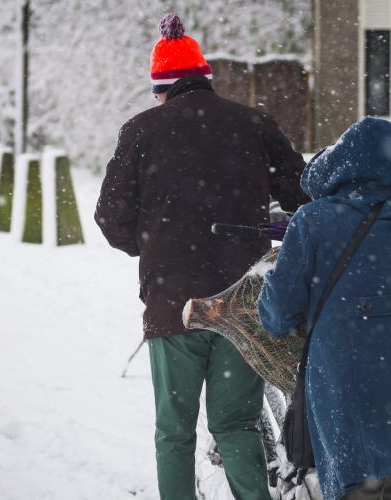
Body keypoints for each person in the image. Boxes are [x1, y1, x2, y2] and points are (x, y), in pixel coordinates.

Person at [95, 14, 307, 500]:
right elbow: (301, 195)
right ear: (204, 79)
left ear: (162, 88)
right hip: (241, 299)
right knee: (236, 424)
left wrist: (151, 245)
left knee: (175, 430)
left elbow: (110, 216)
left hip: (174, 304)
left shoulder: (141, 132)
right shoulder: (254, 123)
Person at [257, 117, 391, 500]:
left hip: (347, 374)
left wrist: (278, 316)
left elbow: (278, 307)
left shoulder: (312, 220)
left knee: (362, 480)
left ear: (335, 168)